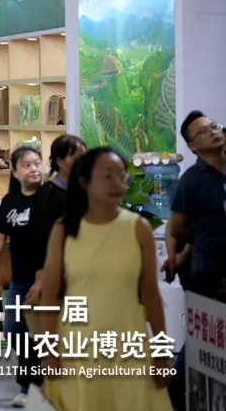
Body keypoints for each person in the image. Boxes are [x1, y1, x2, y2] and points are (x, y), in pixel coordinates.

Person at [39, 147, 172, 411]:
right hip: (78, 343)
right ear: (84, 181)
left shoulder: (138, 228)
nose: (117, 183)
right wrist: (50, 351)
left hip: (128, 341)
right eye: (107, 176)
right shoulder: (65, 229)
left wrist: (161, 353)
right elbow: (50, 294)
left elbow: (151, 295)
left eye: (121, 176)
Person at [0, 146, 65, 408]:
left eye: (37, 164)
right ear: (15, 172)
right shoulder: (10, 201)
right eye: (27, 165)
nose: (33, 169)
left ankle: (31, 387)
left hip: (49, 282)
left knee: (42, 335)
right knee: (14, 331)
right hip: (19, 281)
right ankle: (33, 383)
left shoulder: (52, 198)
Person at [169, 111, 226, 299]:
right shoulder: (190, 181)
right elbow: (177, 228)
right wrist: (205, 238)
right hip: (210, 272)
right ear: (192, 146)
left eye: (214, 127)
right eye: (203, 131)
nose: (213, 132)